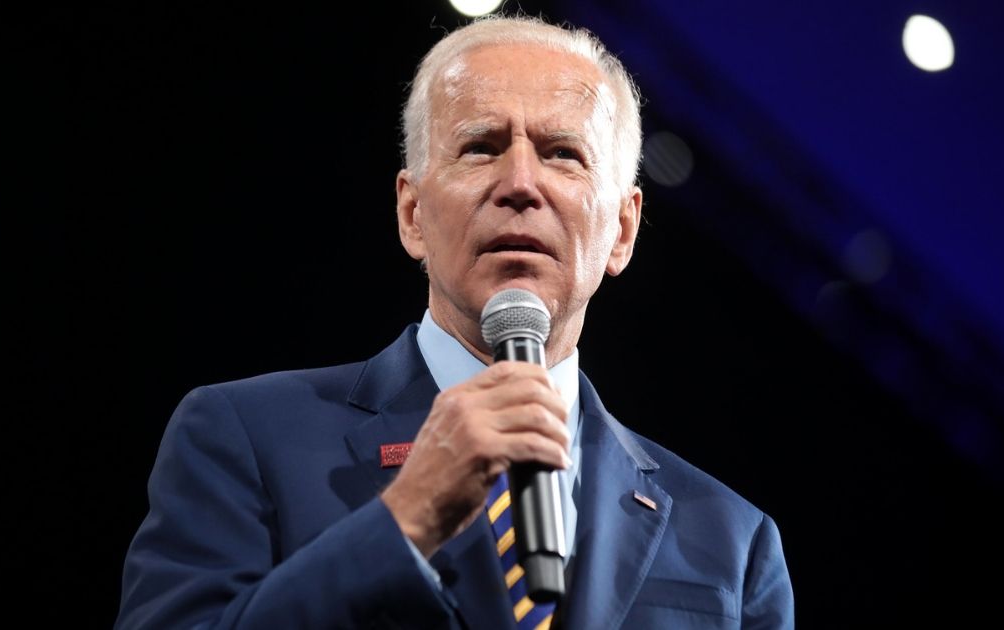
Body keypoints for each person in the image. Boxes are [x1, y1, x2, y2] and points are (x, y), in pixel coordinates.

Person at [116, 15, 794, 630]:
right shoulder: (242, 439)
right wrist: (405, 517)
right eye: (480, 147)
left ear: (623, 229)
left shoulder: (733, 544)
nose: (521, 183)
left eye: (562, 152)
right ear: (413, 215)